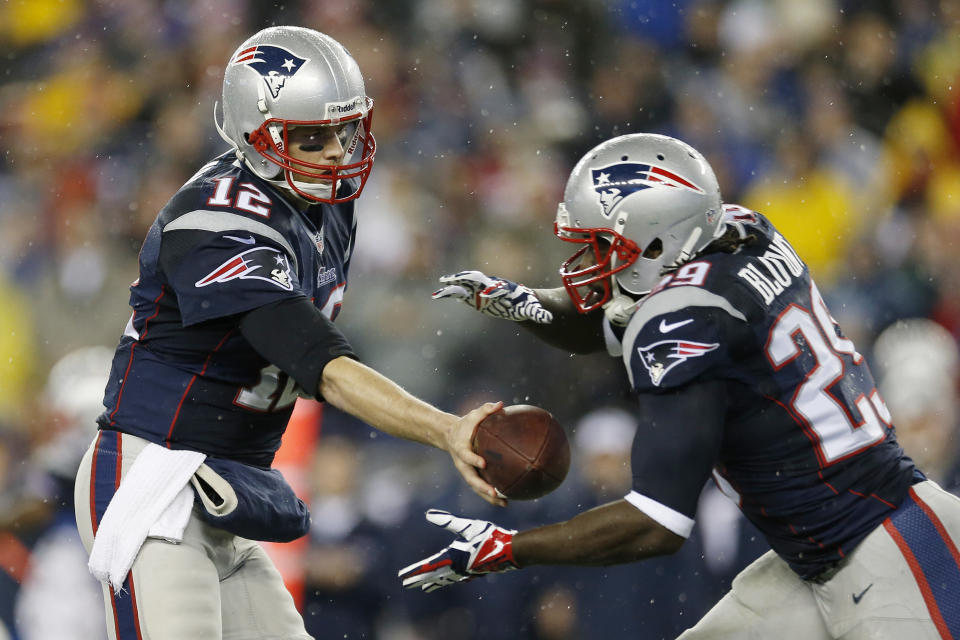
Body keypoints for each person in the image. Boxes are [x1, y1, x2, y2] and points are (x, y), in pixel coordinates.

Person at [399, 133, 960, 638]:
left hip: (892, 548)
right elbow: (629, 312)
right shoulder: (741, 230)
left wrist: (509, 549)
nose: (588, 262)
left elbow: (657, 522)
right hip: (827, 547)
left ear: (660, 243)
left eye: (602, 246)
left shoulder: (681, 318)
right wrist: (528, 305)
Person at [73, 25, 503, 640]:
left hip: (229, 489)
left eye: (343, 129)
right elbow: (315, 359)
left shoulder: (326, 202)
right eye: (310, 135)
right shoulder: (214, 219)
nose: (334, 151)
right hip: (157, 481)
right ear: (257, 135)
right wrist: (447, 429)